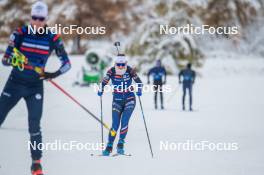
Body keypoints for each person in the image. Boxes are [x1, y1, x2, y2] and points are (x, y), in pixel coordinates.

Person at [0, 1, 71, 175]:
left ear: (46, 19)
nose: (37, 21)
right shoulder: (20, 34)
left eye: (41, 18)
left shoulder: (52, 38)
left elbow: (67, 64)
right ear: (31, 17)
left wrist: (52, 74)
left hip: (34, 87)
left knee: (34, 125)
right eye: (34, 18)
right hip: (15, 83)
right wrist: (15, 60)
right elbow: (5, 59)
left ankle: (36, 163)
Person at [98, 53, 143, 156]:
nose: (121, 66)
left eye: (123, 64)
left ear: (126, 63)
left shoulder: (130, 70)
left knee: (124, 121)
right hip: (117, 100)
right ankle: (109, 146)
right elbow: (104, 82)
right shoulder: (111, 71)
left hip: (129, 99)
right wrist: (101, 89)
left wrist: (139, 90)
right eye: (119, 64)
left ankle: (120, 145)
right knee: (115, 124)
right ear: (115, 63)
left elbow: (139, 82)